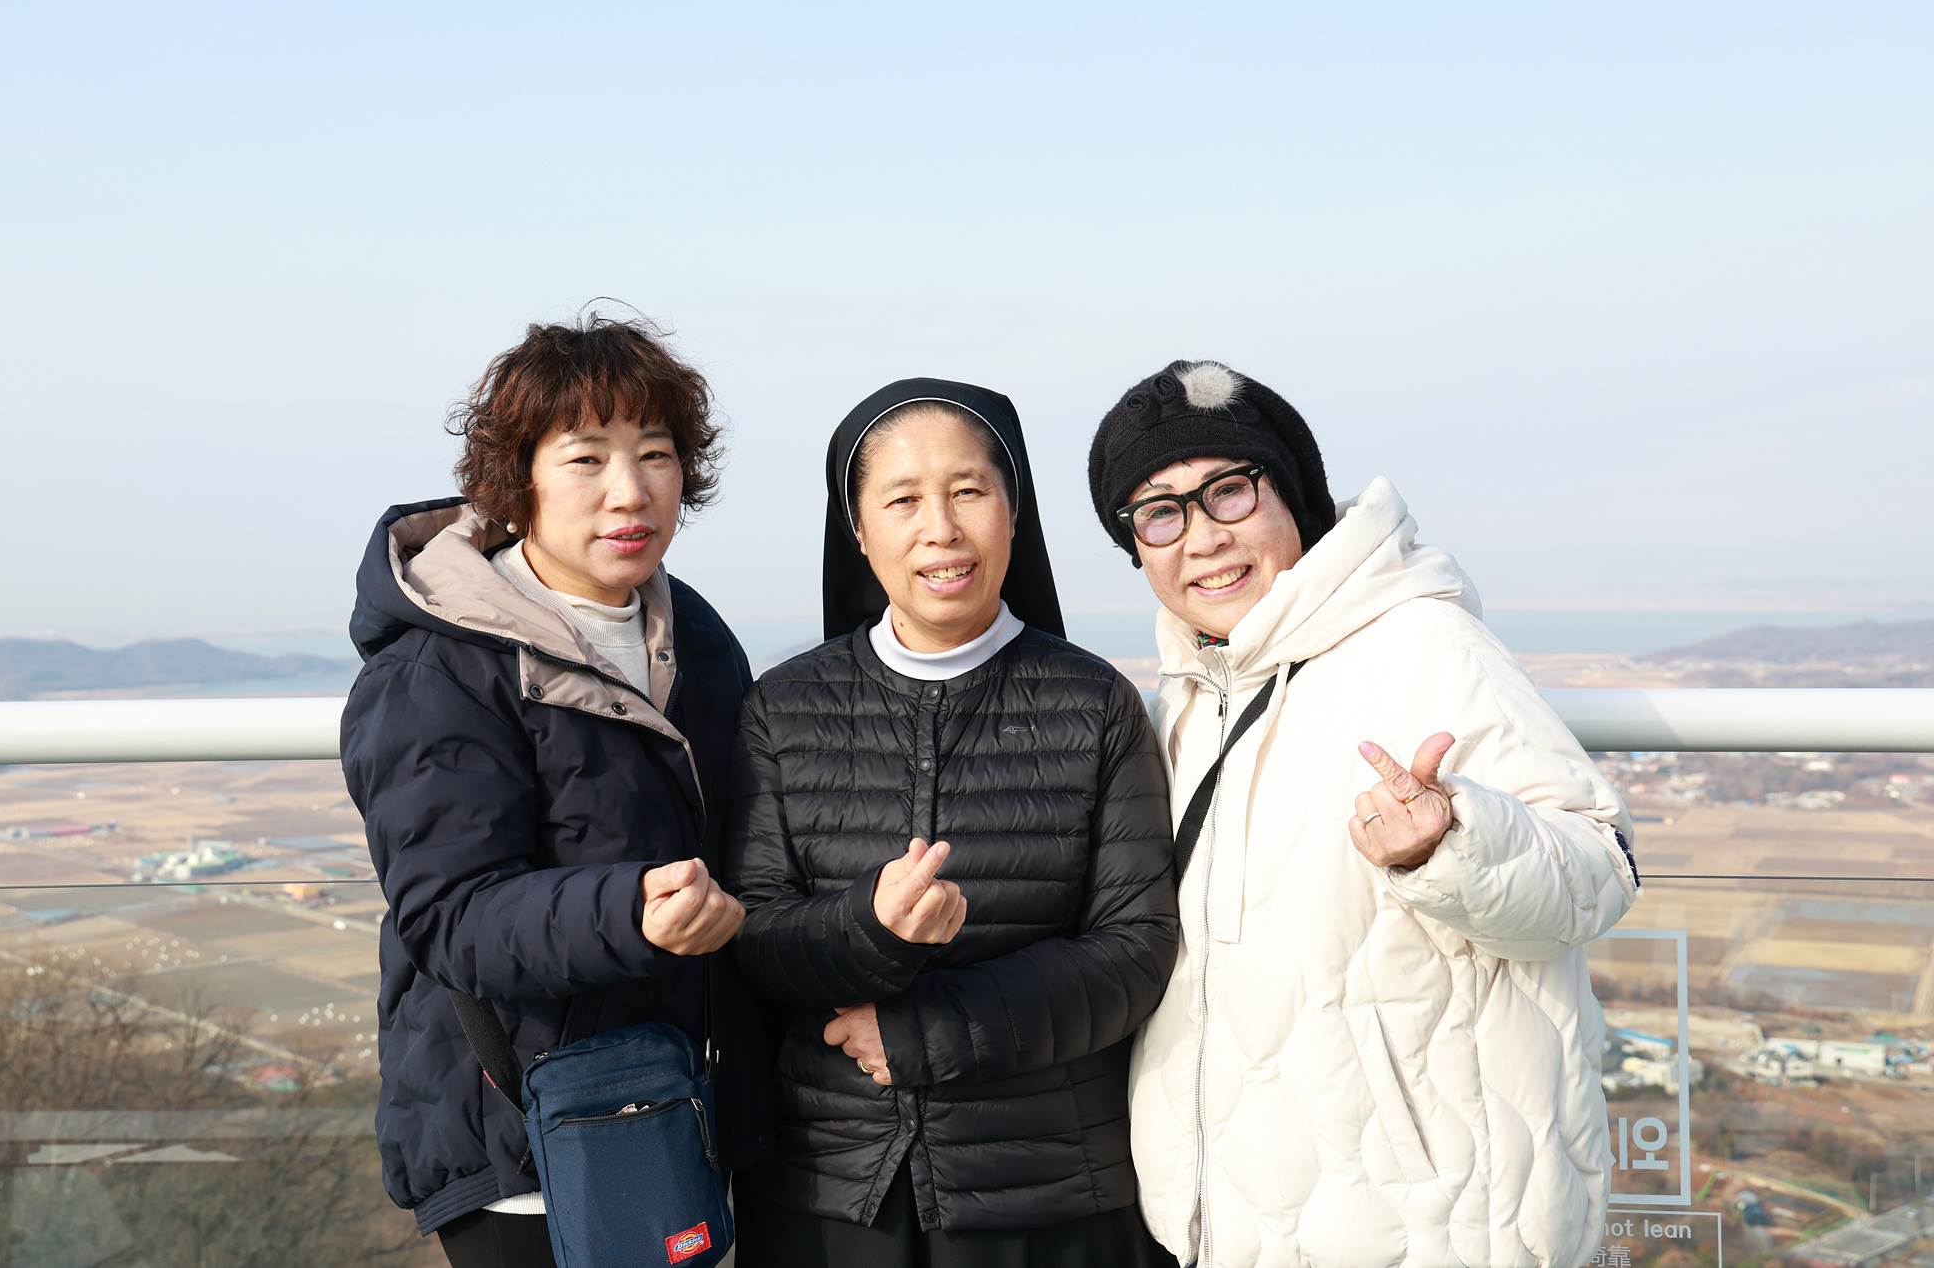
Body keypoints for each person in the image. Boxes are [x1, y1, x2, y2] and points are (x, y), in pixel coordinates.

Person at [1088, 361, 1641, 1268]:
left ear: (1293, 494)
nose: (1203, 537)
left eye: (1228, 491)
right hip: (1246, 1228)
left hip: (1429, 1227)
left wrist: (1450, 844)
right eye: (1160, 513)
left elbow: (1600, 863)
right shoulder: (1189, 694)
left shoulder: (1421, 643)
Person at [340, 313, 768, 1267]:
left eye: (655, 453)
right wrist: (631, 908)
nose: (630, 490)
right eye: (586, 458)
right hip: (528, 1136)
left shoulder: (693, 635)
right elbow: (450, 916)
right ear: (518, 478)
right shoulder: (443, 667)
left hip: (672, 1109)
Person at [726, 379, 1180, 1267]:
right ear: (859, 531)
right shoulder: (782, 709)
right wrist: (870, 929)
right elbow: (753, 937)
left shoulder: (1098, 705)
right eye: (902, 500)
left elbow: (1135, 950)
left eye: (968, 490)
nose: (940, 527)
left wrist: (925, 1031)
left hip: (1046, 1194)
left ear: (1014, 511)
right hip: (829, 1196)